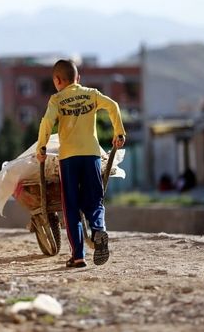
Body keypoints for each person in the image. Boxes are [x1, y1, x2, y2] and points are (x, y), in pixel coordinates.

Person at [36, 59, 126, 268]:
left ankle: (78, 256)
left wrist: (42, 147)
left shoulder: (57, 99)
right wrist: (119, 132)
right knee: (95, 199)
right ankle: (97, 230)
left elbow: (46, 122)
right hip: (92, 155)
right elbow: (113, 105)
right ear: (78, 78)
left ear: (57, 80)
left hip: (68, 159)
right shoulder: (91, 93)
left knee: (71, 207)